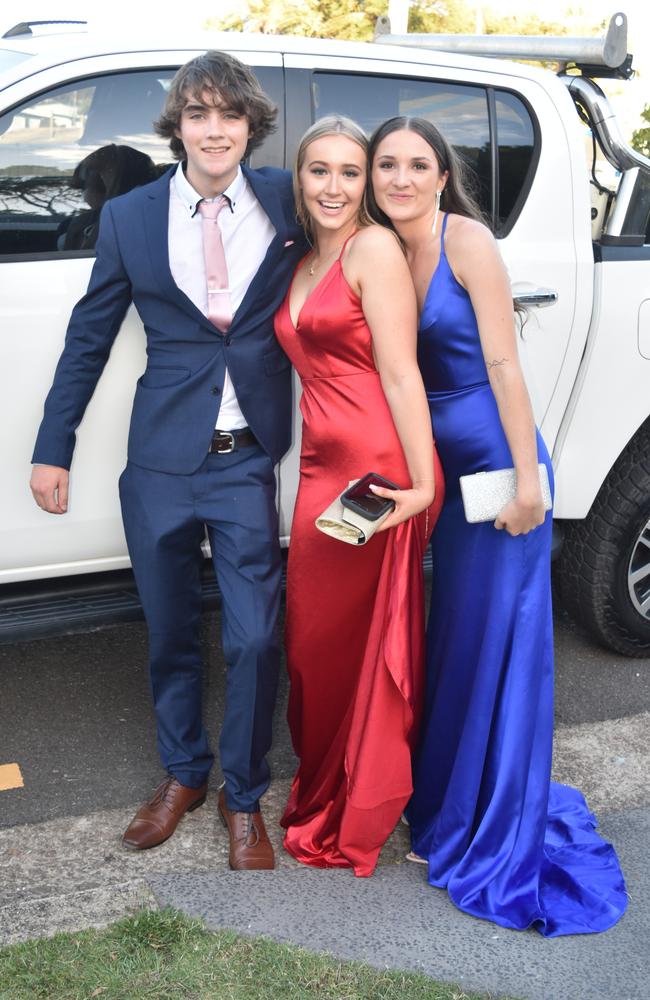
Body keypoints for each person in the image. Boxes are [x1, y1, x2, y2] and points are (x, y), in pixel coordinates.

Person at [30, 51, 307, 870]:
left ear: (249, 126)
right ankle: (184, 774)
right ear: (178, 125)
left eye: (229, 115)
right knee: (170, 629)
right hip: (157, 461)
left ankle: (244, 794)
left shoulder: (291, 198)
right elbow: (90, 337)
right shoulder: (131, 217)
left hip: (244, 459)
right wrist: (55, 447)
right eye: (198, 114)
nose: (214, 129)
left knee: (256, 640)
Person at [368, 115, 627, 933]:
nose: (400, 178)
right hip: (428, 469)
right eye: (387, 165)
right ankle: (446, 802)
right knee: (450, 638)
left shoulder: (465, 239)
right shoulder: (379, 246)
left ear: (443, 176)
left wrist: (528, 481)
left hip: (490, 461)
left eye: (417, 164)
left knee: (495, 640)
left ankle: (487, 824)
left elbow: (505, 364)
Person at [274, 116, 445, 878]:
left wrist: (423, 481)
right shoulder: (307, 256)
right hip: (320, 467)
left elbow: (403, 372)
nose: (336, 187)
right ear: (299, 179)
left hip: (371, 471)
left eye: (351, 172)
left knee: (352, 647)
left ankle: (353, 806)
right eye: (320, 171)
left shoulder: (373, 248)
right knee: (316, 648)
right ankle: (325, 790)